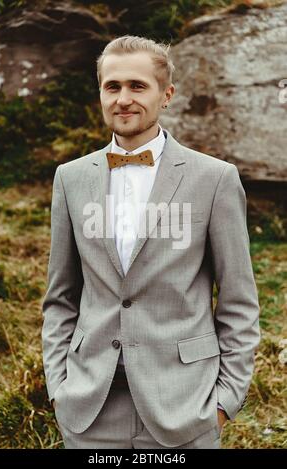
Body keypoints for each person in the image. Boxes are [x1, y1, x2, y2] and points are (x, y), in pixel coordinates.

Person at [41, 35, 260, 449]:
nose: (123, 99)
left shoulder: (214, 179)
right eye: (113, 86)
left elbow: (238, 300)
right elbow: (60, 297)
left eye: (138, 86)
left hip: (184, 405)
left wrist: (225, 401)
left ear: (167, 95)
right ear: (101, 93)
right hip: (90, 408)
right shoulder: (70, 178)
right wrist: (59, 387)